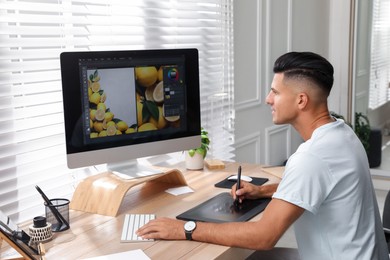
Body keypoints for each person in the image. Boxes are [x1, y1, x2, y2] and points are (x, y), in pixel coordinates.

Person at [137, 52, 389, 259]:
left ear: (301, 100)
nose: (268, 99)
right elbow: (324, 183)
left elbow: (263, 236)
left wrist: (184, 228)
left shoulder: (312, 157)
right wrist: (264, 191)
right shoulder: (342, 133)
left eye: (275, 92)